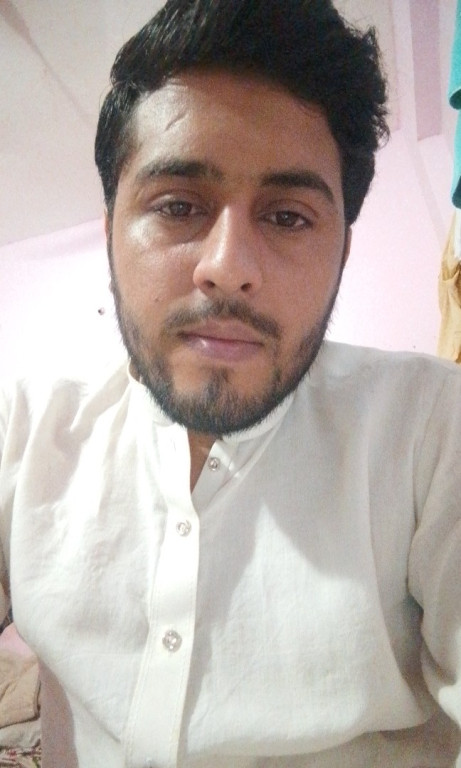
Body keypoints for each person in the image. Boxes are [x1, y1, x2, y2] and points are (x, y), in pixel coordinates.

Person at [1, 0, 461, 766]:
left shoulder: (434, 430)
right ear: (111, 231)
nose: (227, 266)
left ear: (342, 252)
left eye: (286, 217)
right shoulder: (24, 427)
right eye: (178, 206)